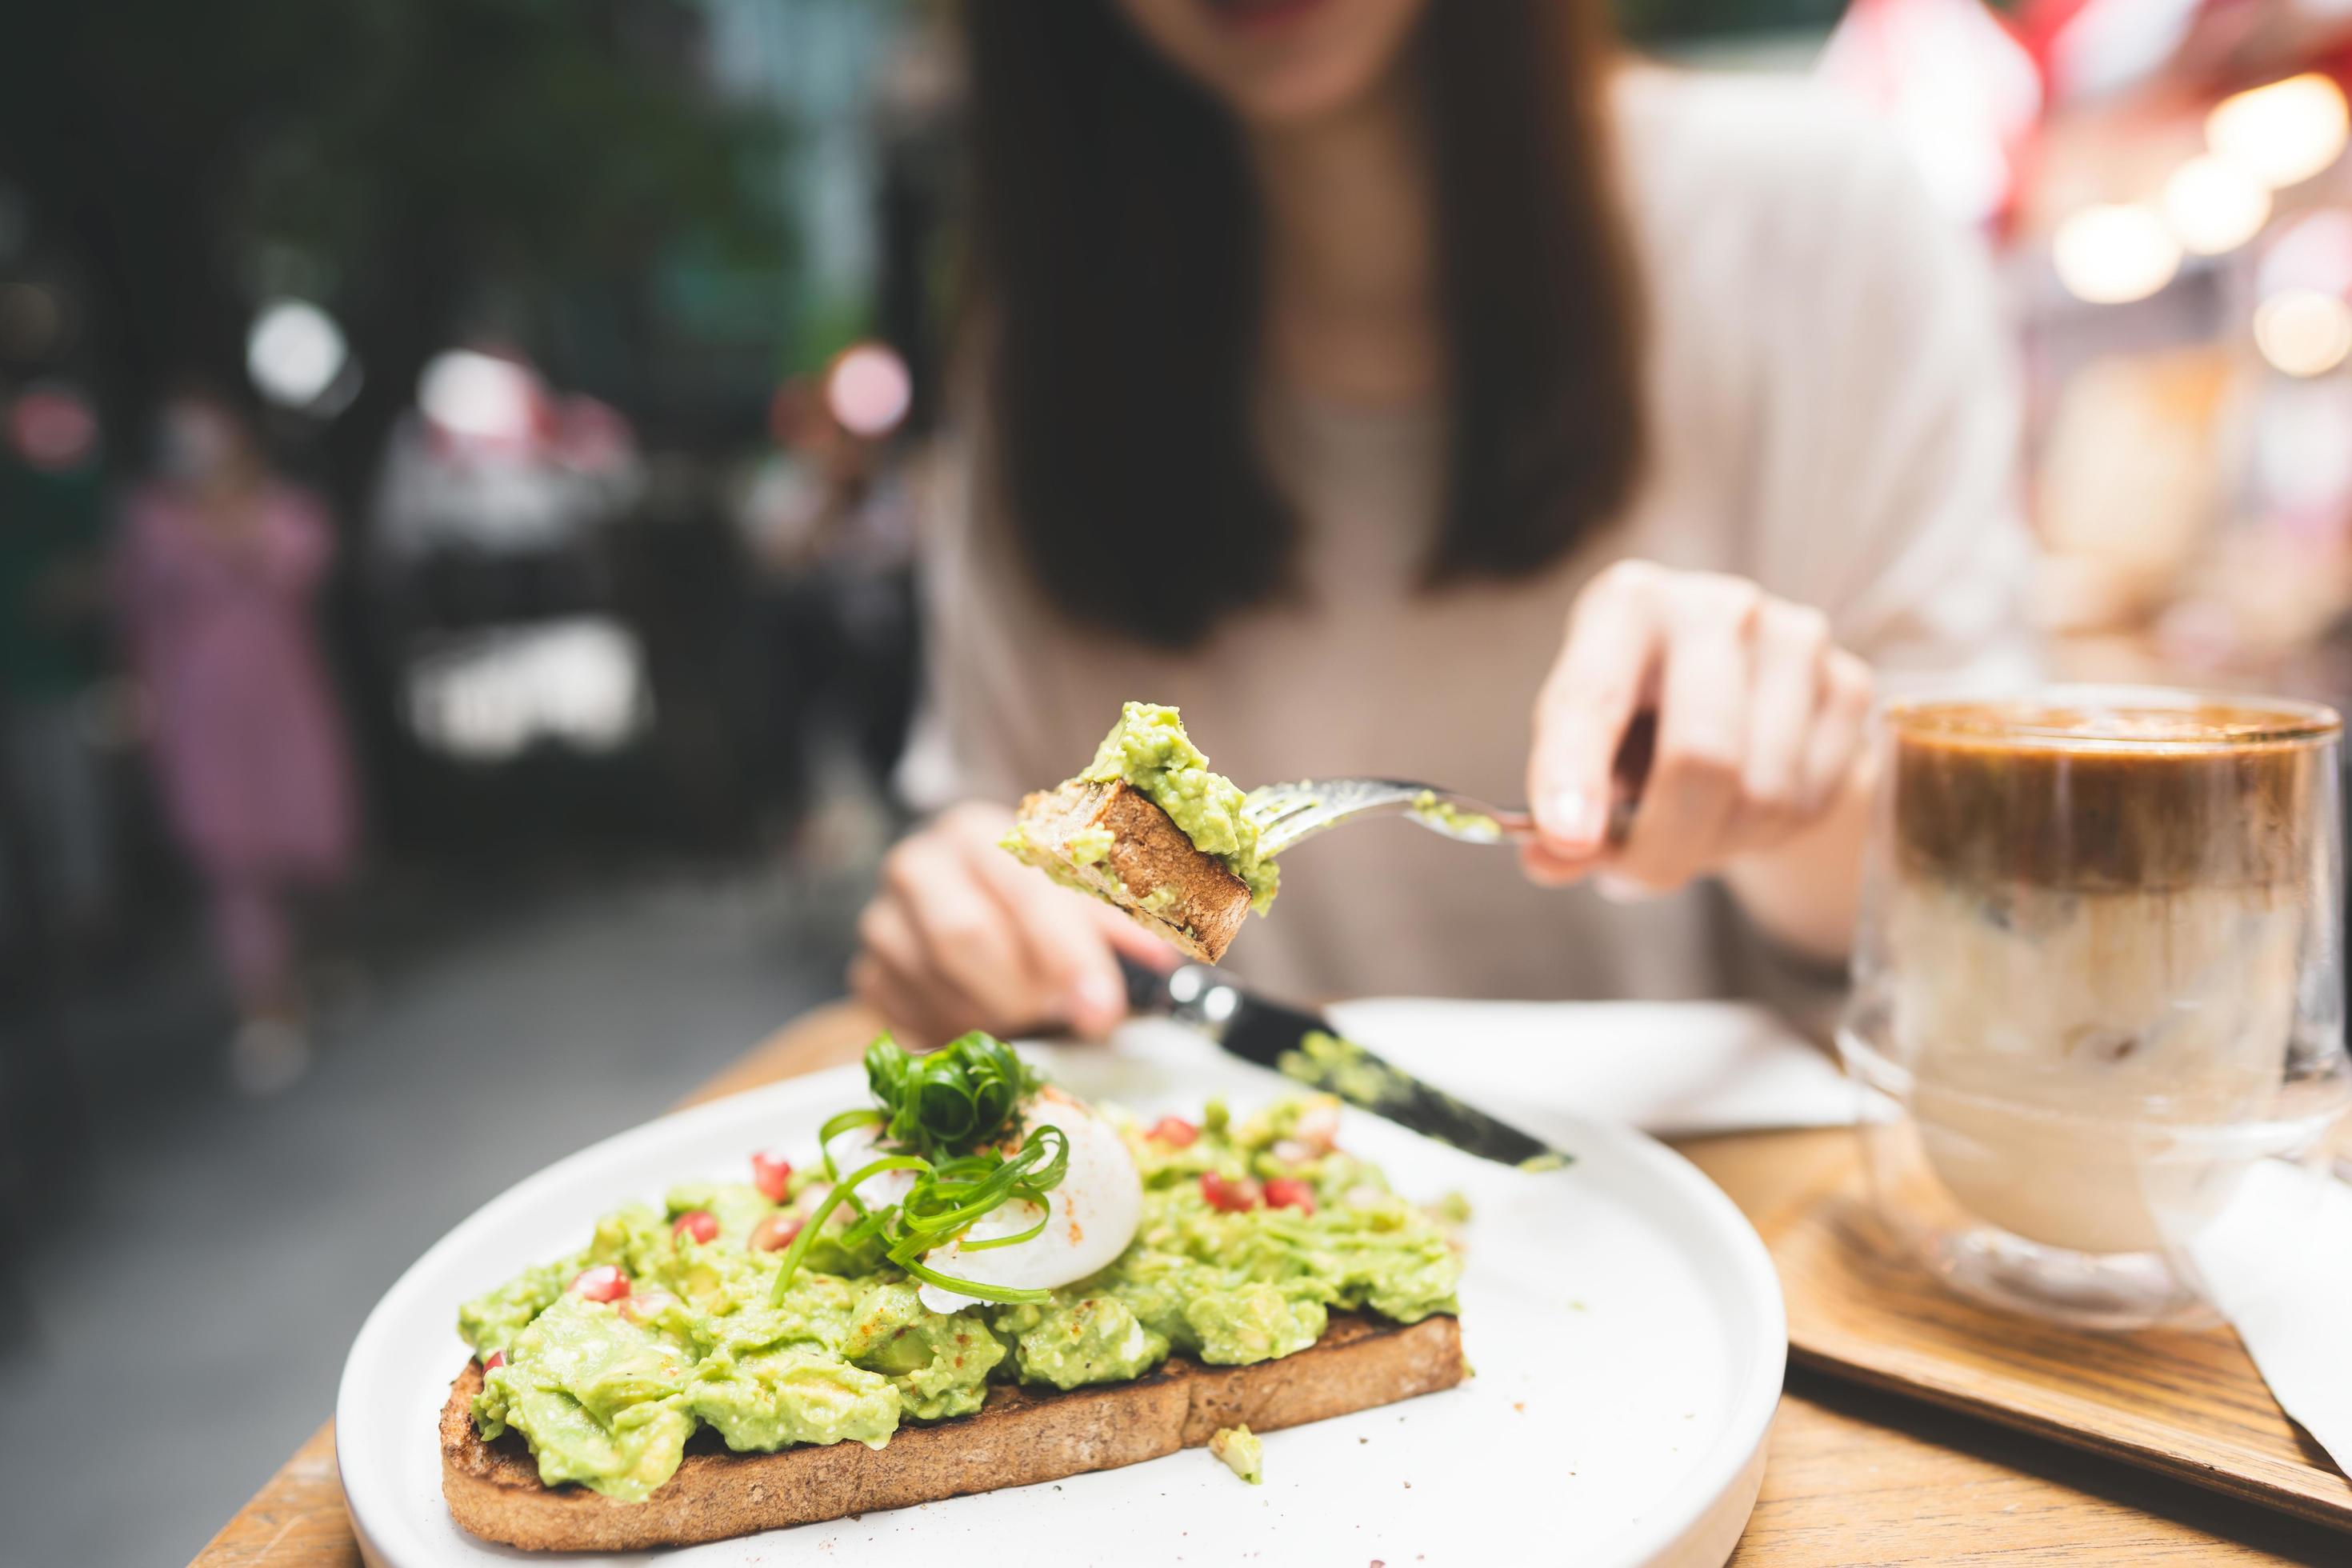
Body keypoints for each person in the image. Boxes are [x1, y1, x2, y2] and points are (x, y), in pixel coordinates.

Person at [856, 0, 2031, 1048]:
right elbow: (1039, 863)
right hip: (1251, 1211)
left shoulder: (1816, 224)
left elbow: (1997, 931)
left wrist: (1806, 805)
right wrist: (985, 927)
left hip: (1757, 1223)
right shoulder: (1045, 372)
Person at [114, 386, 358, 1093]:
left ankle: (312, 972)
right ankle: (267, 1009)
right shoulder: (153, 524)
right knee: (232, 862)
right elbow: (136, 609)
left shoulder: (282, 513)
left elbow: (301, 562)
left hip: (285, 707)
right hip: (200, 718)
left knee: (313, 847)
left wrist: (234, 516)